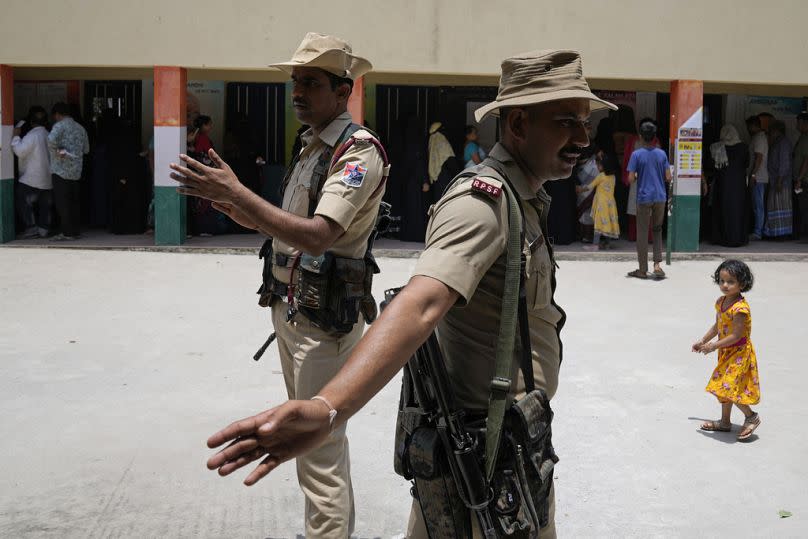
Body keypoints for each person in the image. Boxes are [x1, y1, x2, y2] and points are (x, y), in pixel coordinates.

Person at [203, 49, 617, 539]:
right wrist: (329, 406)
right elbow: (420, 304)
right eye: (568, 122)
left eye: (585, 123)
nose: (583, 139)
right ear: (520, 125)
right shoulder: (481, 205)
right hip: (482, 450)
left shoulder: (523, 198)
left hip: (509, 441)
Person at [172, 33, 385, 538]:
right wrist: (234, 205)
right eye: (295, 82)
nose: (297, 92)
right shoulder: (312, 145)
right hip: (292, 313)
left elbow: (318, 236)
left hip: (323, 325)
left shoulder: (357, 152)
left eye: (310, 82)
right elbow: (286, 228)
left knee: (319, 450)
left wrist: (240, 194)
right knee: (310, 444)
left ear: (343, 90)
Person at [692, 259, 761, 441]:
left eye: (730, 282)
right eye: (722, 280)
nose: (725, 285)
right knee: (724, 386)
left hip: (739, 354)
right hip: (726, 352)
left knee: (727, 386)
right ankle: (725, 422)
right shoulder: (721, 302)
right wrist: (703, 341)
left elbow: (736, 335)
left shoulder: (740, 308)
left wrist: (713, 346)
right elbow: (718, 325)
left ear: (742, 283)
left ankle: (751, 416)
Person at [626, 119, 671, 279]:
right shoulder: (662, 153)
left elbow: (630, 179)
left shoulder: (636, 155)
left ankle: (642, 270)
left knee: (643, 233)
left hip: (644, 197)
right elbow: (668, 176)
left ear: (640, 136)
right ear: (654, 136)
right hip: (660, 197)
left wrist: (638, 174)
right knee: (657, 230)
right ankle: (657, 265)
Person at [47, 102, 90, 241]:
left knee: (62, 204)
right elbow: (86, 150)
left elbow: (50, 140)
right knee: (74, 203)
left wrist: (58, 150)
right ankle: (75, 231)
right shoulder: (81, 128)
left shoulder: (59, 126)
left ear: (57, 114)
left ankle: (67, 233)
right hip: (76, 172)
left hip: (60, 171)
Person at [11, 106, 52, 238]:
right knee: (45, 205)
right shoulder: (49, 134)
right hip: (48, 178)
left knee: (22, 198)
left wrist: (16, 137)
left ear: (31, 122)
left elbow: (20, 151)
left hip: (32, 178)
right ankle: (43, 229)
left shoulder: (32, 135)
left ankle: (31, 227)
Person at [708, 125, 749, 247]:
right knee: (738, 211)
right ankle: (738, 238)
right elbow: (746, 164)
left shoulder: (717, 147)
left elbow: (711, 166)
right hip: (739, 187)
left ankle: (723, 238)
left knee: (723, 210)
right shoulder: (743, 147)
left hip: (723, 186)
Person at [578, 150, 619, 250]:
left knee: (598, 224)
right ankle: (607, 244)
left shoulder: (600, 176)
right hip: (611, 204)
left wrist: (580, 189)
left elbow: (590, 186)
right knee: (608, 222)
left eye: (599, 165)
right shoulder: (613, 177)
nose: (597, 167)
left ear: (604, 166)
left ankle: (595, 245)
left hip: (601, 204)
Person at [763, 120, 792, 238]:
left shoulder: (783, 143)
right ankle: (774, 232)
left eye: (771, 131)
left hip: (781, 182)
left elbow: (784, 163)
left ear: (776, 131)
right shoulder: (777, 142)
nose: (770, 133)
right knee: (774, 206)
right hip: (775, 180)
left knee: (780, 206)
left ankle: (782, 233)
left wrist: (780, 180)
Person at [746, 115, 769, 240]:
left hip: (758, 178)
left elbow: (758, 158)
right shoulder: (758, 137)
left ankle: (758, 232)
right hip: (757, 177)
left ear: (753, 126)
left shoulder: (760, 138)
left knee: (758, 205)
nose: (748, 129)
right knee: (756, 204)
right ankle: (757, 230)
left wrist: (753, 174)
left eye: (749, 126)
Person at [425, 121, 455, 193]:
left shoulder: (431, 140)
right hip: (445, 175)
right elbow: (450, 158)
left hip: (436, 176)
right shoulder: (441, 139)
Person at [792, 112, 808, 241]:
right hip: (800, 180)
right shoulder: (802, 137)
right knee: (799, 207)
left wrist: (799, 179)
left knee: (803, 208)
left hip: (804, 181)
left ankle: (803, 234)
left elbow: (806, 161)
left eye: (798, 122)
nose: (797, 125)